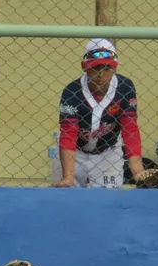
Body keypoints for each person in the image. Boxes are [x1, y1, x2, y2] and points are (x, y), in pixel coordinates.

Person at [53, 39, 144, 188]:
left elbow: (130, 128)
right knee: (65, 199)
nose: (101, 74)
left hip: (107, 153)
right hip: (75, 153)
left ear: (115, 68)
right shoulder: (72, 92)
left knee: (108, 203)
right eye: (95, 68)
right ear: (85, 67)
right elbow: (68, 134)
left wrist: (137, 168)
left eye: (107, 68)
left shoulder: (125, 87)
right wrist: (68, 177)